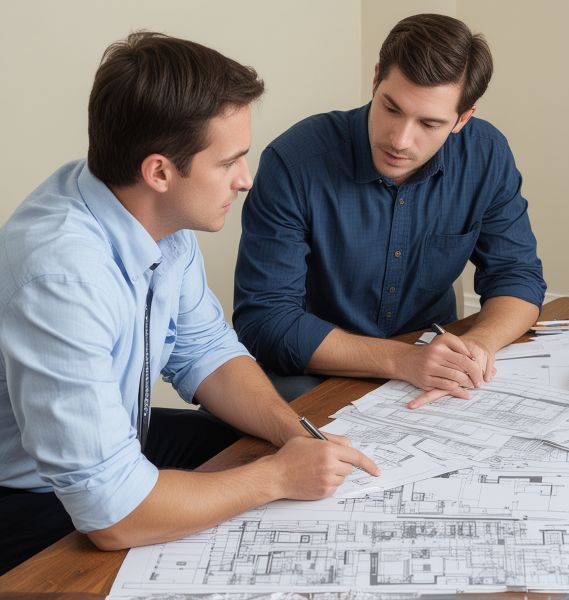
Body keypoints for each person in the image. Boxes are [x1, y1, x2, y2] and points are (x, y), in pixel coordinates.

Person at [0, 32, 377, 576]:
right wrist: (276, 478)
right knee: (251, 495)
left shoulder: (156, 217)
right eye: (229, 162)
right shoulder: (61, 277)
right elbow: (112, 514)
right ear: (159, 171)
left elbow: (207, 352)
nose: (245, 180)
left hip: (116, 439)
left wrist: (295, 435)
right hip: (23, 494)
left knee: (253, 447)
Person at [234, 14, 546, 407]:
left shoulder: (485, 155)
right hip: (315, 371)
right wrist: (404, 361)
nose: (400, 140)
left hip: (430, 361)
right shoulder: (294, 162)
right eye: (392, 108)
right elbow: (266, 321)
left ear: (463, 119)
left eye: (429, 123)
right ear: (376, 79)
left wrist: (477, 347)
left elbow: (516, 276)